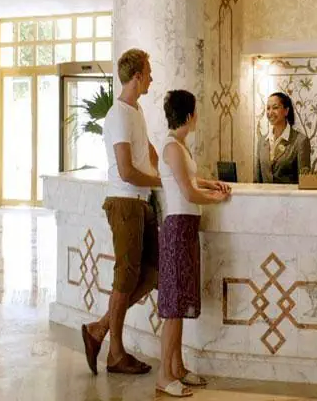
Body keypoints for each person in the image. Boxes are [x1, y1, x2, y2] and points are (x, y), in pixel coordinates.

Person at [81, 48, 161, 376]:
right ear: (137, 76)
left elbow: (149, 152)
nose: (151, 78)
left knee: (152, 274)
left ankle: (99, 328)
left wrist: (163, 169)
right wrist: (161, 181)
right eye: (149, 73)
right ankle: (115, 354)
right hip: (125, 202)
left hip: (142, 201)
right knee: (125, 278)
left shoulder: (136, 110)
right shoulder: (117, 115)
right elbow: (126, 171)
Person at [156, 90, 231, 398]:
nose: (197, 116)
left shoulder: (179, 146)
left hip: (185, 228)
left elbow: (188, 182)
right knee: (174, 308)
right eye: (196, 112)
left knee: (181, 302)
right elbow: (187, 193)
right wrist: (216, 198)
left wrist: (210, 184)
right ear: (189, 116)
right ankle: (164, 375)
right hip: (177, 229)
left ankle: (178, 367)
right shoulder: (172, 148)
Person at [255, 92, 311, 184]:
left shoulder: (300, 141)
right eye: (268, 108)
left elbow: (305, 182)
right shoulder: (262, 141)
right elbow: (257, 180)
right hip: (264, 194)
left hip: (290, 194)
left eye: (275, 107)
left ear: (286, 111)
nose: (270, 112)